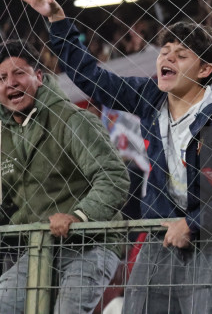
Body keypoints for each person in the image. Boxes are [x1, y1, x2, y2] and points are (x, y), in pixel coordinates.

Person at [17, 0, 212, 314]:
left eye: (181, 55)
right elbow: (93, 78)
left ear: (205, 70)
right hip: (159, 234)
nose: (167, 59)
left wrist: (192, 224)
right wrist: (58, 21)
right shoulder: (151, 97)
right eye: (164, 52)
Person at [0, 39, 129, 313]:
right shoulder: (3, 136)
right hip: (38, 248)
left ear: (39, 77)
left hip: (90, 244)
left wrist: (78, 216)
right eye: (1, 77)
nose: (9, 82)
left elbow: (114, 176)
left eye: (19, 73)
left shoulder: (73, 120)